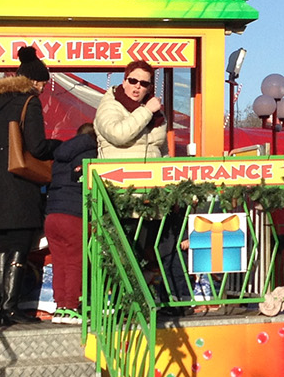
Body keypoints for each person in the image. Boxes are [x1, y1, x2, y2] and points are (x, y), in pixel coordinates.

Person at [0, 46, 59, 325]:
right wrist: (59, 147)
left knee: (3, 245)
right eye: (43, 83)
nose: (44, 89)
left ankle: (1, 308)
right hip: (17, 183)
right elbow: (36, 145)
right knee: (20, 244)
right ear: (35, 81)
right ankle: (11, 308)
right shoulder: (28, 102)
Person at [94, 60, 188, 307]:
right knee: (125, 253)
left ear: (149, 87)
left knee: (159, 248)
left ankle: (170, 301)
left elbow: (161, 149)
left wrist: (171, 179)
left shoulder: (155, 113)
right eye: (132, 80)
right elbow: (118, 134)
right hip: (122, 194)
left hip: (151, 195)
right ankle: (122, 304)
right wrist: (146, 111)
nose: (137, 87)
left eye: (143, 83)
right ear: (124, 80)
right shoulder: (110, 105)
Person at [44, 122, 96, 326]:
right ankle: (72, 307)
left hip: (52, 215)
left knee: (60, 262)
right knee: (75, 261)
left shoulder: (60, 155)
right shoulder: (91, 155)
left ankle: (61, 307)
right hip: (74, 214)